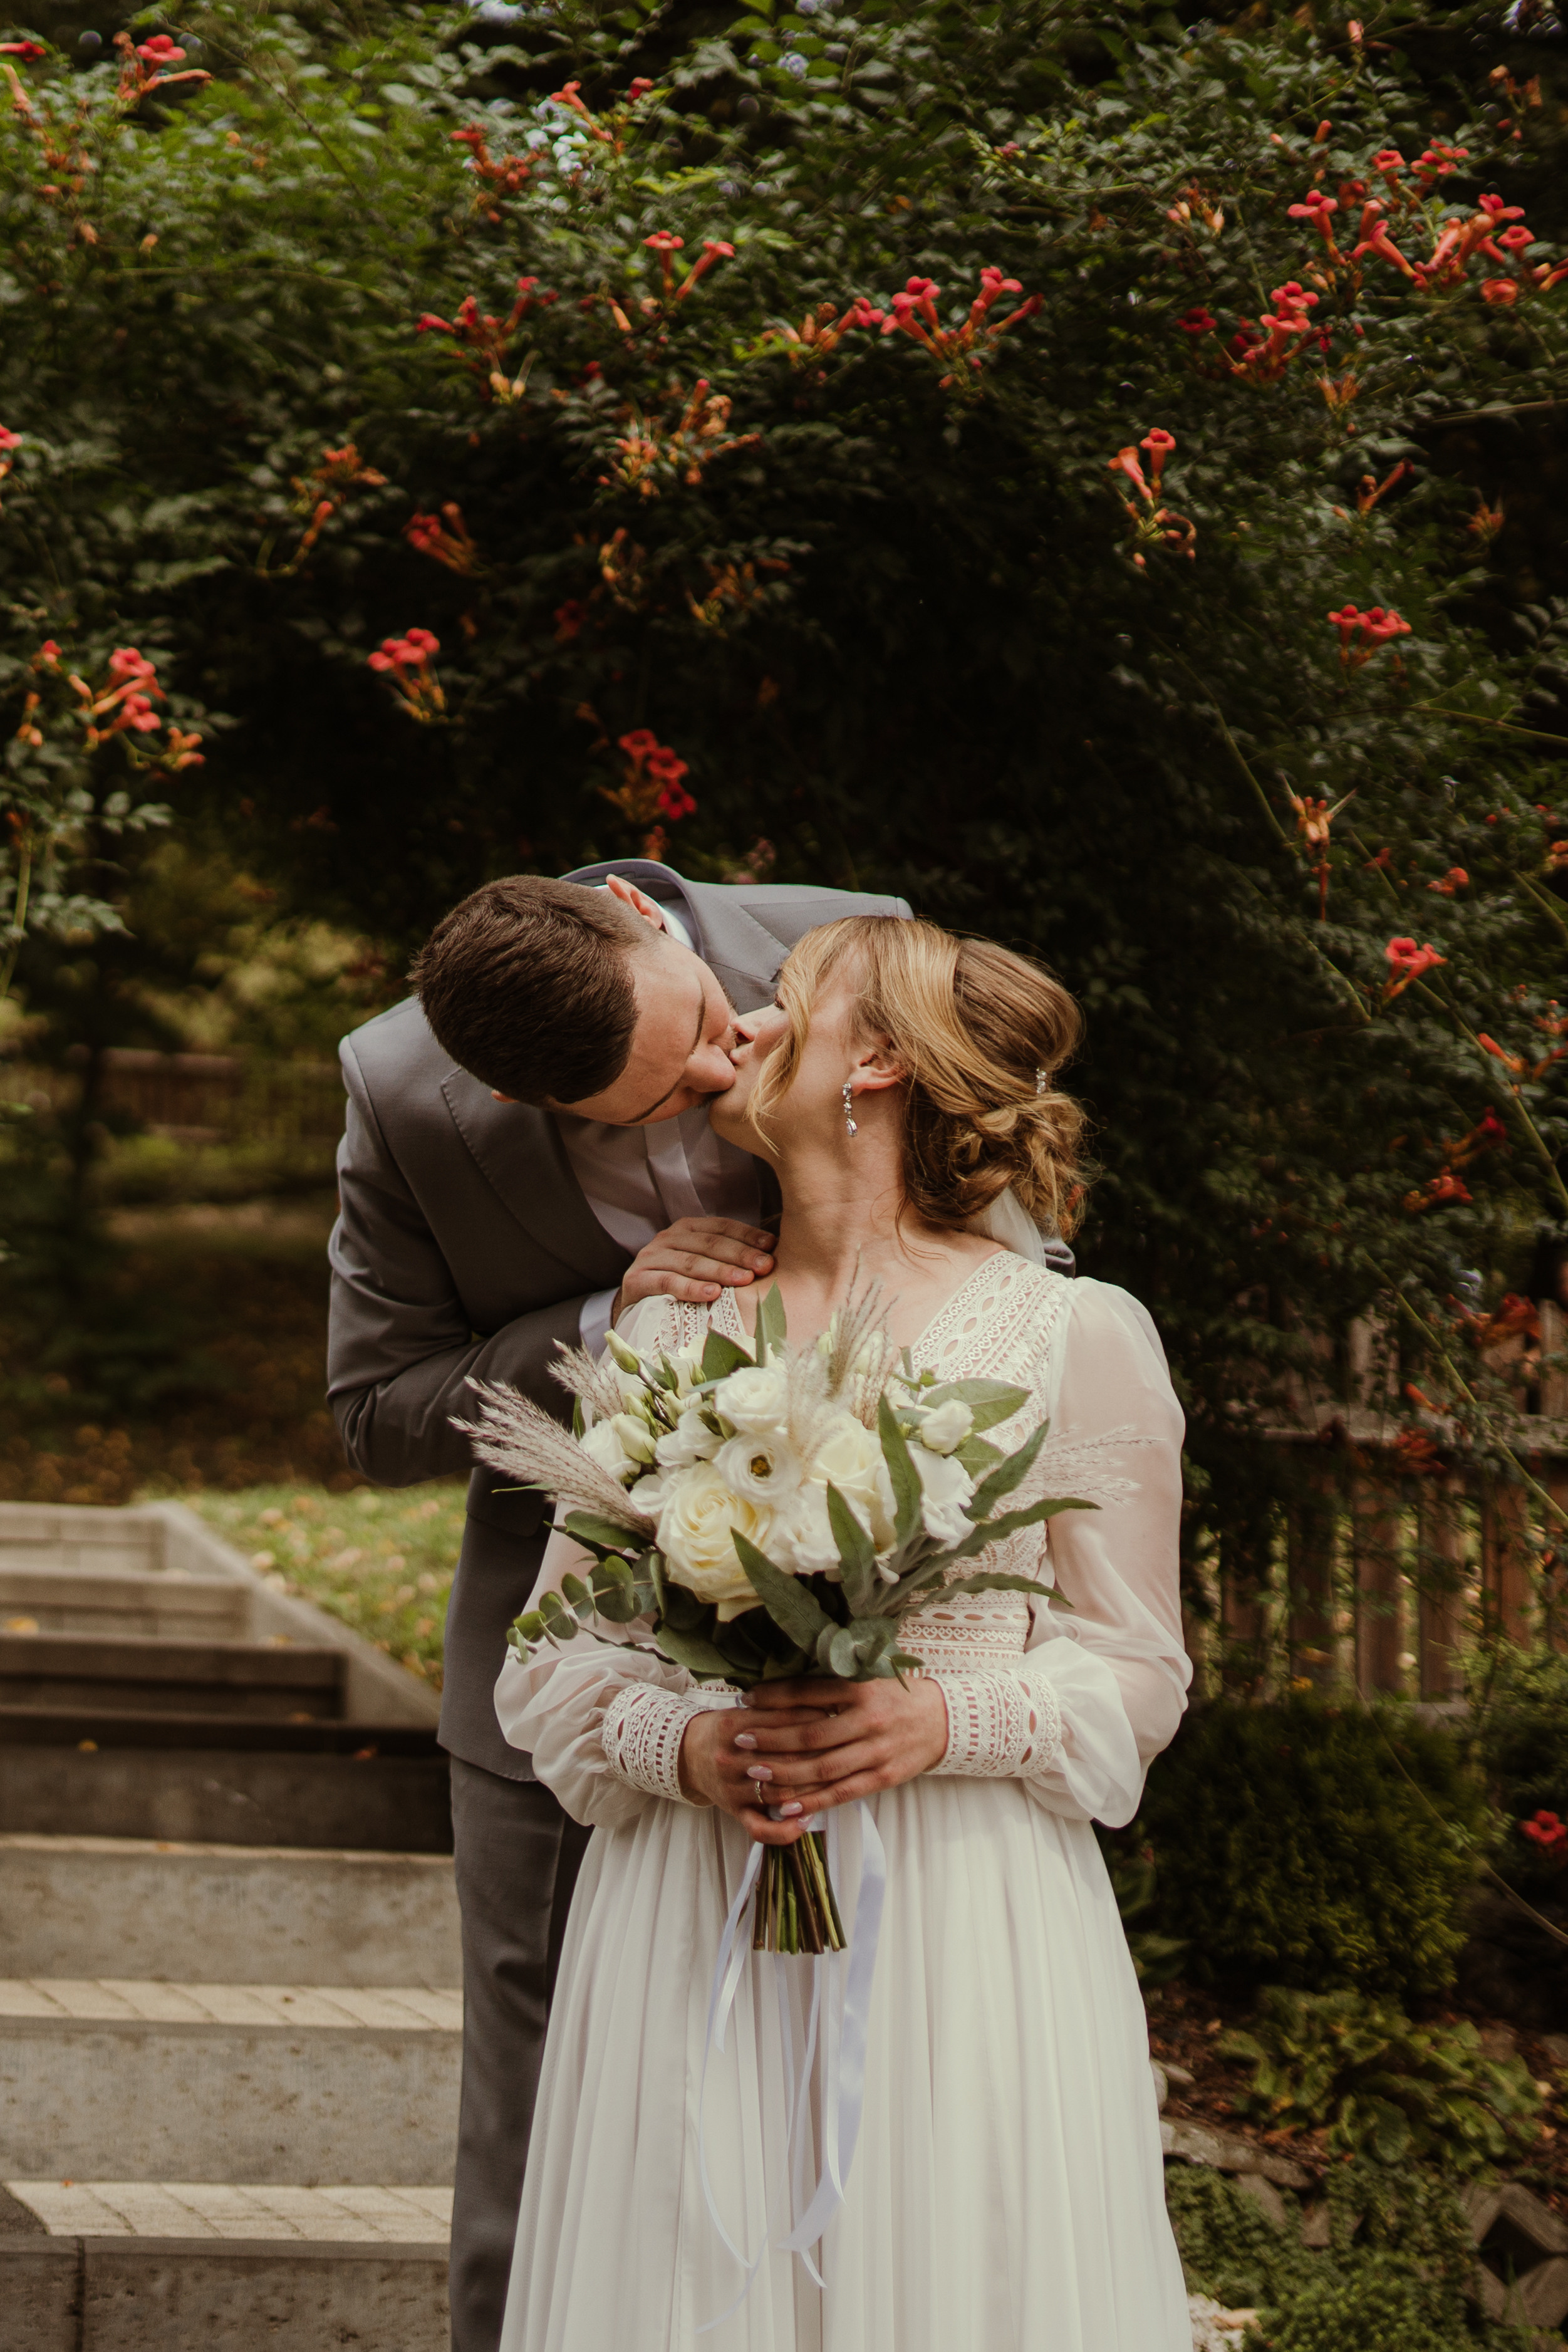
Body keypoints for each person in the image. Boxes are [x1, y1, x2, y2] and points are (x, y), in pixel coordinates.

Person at [493, 914, 1193, 2351]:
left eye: (781, 1007)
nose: (741, 1030)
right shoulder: (666, 1337)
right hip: (691, 1907)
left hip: (957, 1913)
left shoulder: (1076, 1333)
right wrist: (684, 1742)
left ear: (874, 1059)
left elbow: (1140, 1667)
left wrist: (947, 1718)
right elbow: (545, 1659)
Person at [326, 858, 910, 2352]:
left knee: (861, 2106)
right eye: (643, 1105)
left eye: (713, 1027)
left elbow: (1019, 1253)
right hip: (562, 1672)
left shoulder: (866, 952)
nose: (719, 1074)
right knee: (528, 2137)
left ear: (650, 920)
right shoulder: (398, 1088)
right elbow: (377, 1412)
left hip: (871, 1662)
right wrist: (605, 1318)